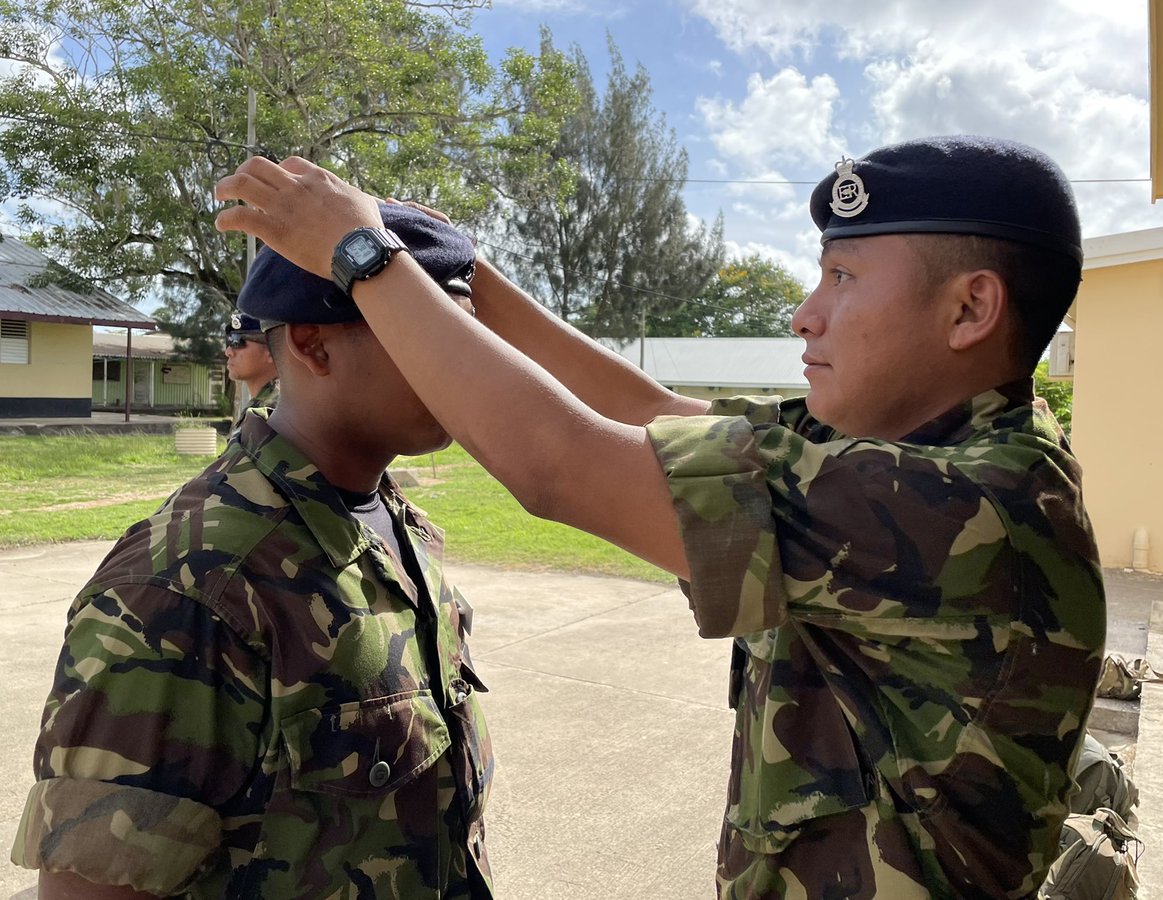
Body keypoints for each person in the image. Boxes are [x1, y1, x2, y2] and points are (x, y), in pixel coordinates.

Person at [213, 134, 1105, 899]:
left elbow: (560, 464)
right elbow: (655, 413)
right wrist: (457, 267)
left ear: (969, 309)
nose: (805, 315)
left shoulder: (973, 501)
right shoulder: (918, 456)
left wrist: (363, 257)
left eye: (842, 276)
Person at [11, 203, 494, 899]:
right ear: (314, 344)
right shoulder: (189, 587)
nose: (469, 363)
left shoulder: (398, 528)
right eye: (432, 329)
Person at [223, 311, 279, 434]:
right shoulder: (261, 407)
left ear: (271, 350)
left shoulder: (273, 413)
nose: (228, 352)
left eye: (236, 342)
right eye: (229, 341)